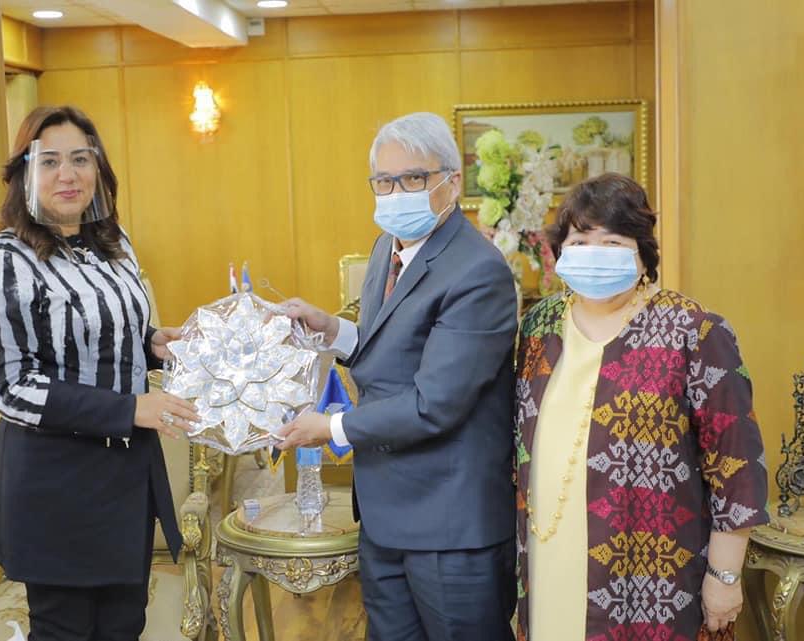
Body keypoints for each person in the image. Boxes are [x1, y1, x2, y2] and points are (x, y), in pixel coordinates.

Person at [278, 112, 518, 641]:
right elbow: (393, 350)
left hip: (449, 525)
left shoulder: (478, 271)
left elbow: (436, 403)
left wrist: (331, 428)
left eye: (413, 178)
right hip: (385, 513)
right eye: (384, 182)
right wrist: (334, 331)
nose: (396, 193)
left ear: (452, 181)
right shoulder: (387, 247)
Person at [0, 105, 200, 641]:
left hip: (125, 477)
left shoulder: (113, 244)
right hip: (57, 484)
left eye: (80, 159)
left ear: (98, 169)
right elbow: (10, 387)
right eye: (49, 161)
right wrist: (129, 408)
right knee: (66, 630)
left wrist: (152, 344)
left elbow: (97, 335)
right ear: (24, 173)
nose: (67, 175)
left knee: (125, 625)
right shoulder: (5, 260)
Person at [513, 173, 768, 641]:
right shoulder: (539, 326)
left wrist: (725, 575)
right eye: (580, 241)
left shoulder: (694, 330)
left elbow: (736, 464)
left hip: (654, 577)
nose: (594, 252)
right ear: (561, 250)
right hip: (548, 557)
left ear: (642, 252)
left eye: (612, 241)